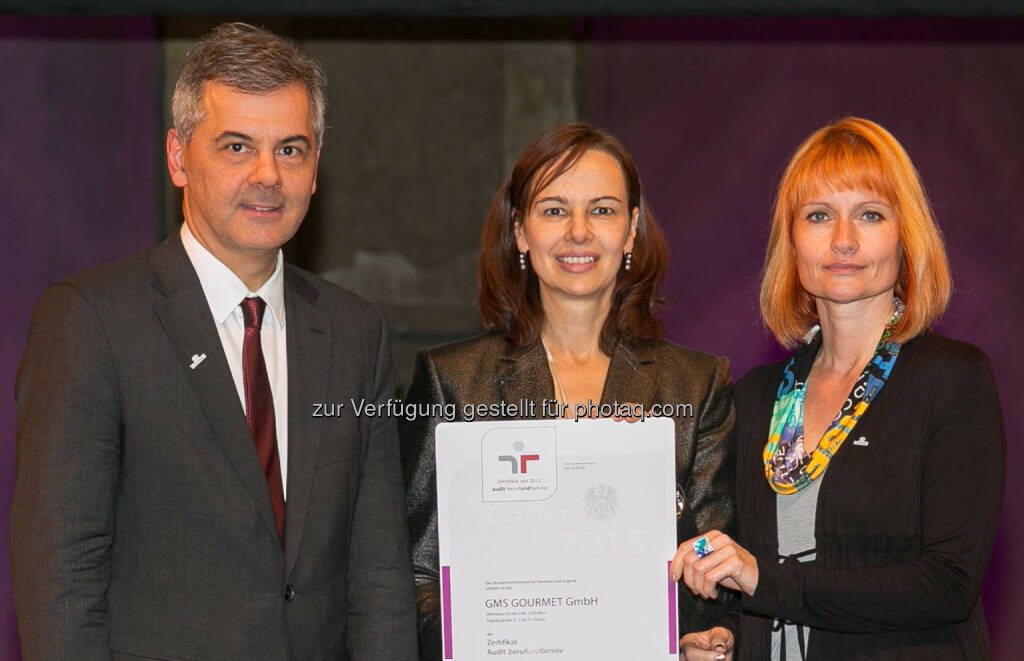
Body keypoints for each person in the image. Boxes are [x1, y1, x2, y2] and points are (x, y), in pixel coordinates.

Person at [11, 23, 416, 660]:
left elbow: (380, 577)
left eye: (291, 149)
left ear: (315, 170)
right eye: (236, 147)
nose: (267, 175)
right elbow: (61, 578)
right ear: (178, 157)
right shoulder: (91, 321)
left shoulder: (355, 333)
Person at [400, 121, 738, 660]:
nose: (578, 231)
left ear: (630, 232)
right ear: (520, 231)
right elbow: (415, 573)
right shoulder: (451, 381)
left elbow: (712, 564)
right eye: (554, 210)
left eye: (601, 210)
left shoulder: (696, 386)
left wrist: (708, 636)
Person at [671, 117, 1006, 660]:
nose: (843, 241)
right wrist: (722, 634)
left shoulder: (952, 379)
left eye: (870, 215)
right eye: (819, 216)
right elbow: (745, 575)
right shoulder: (755, 397)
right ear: (793, 240)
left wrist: (767, 582)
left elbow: (948, 583)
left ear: (905, 235)